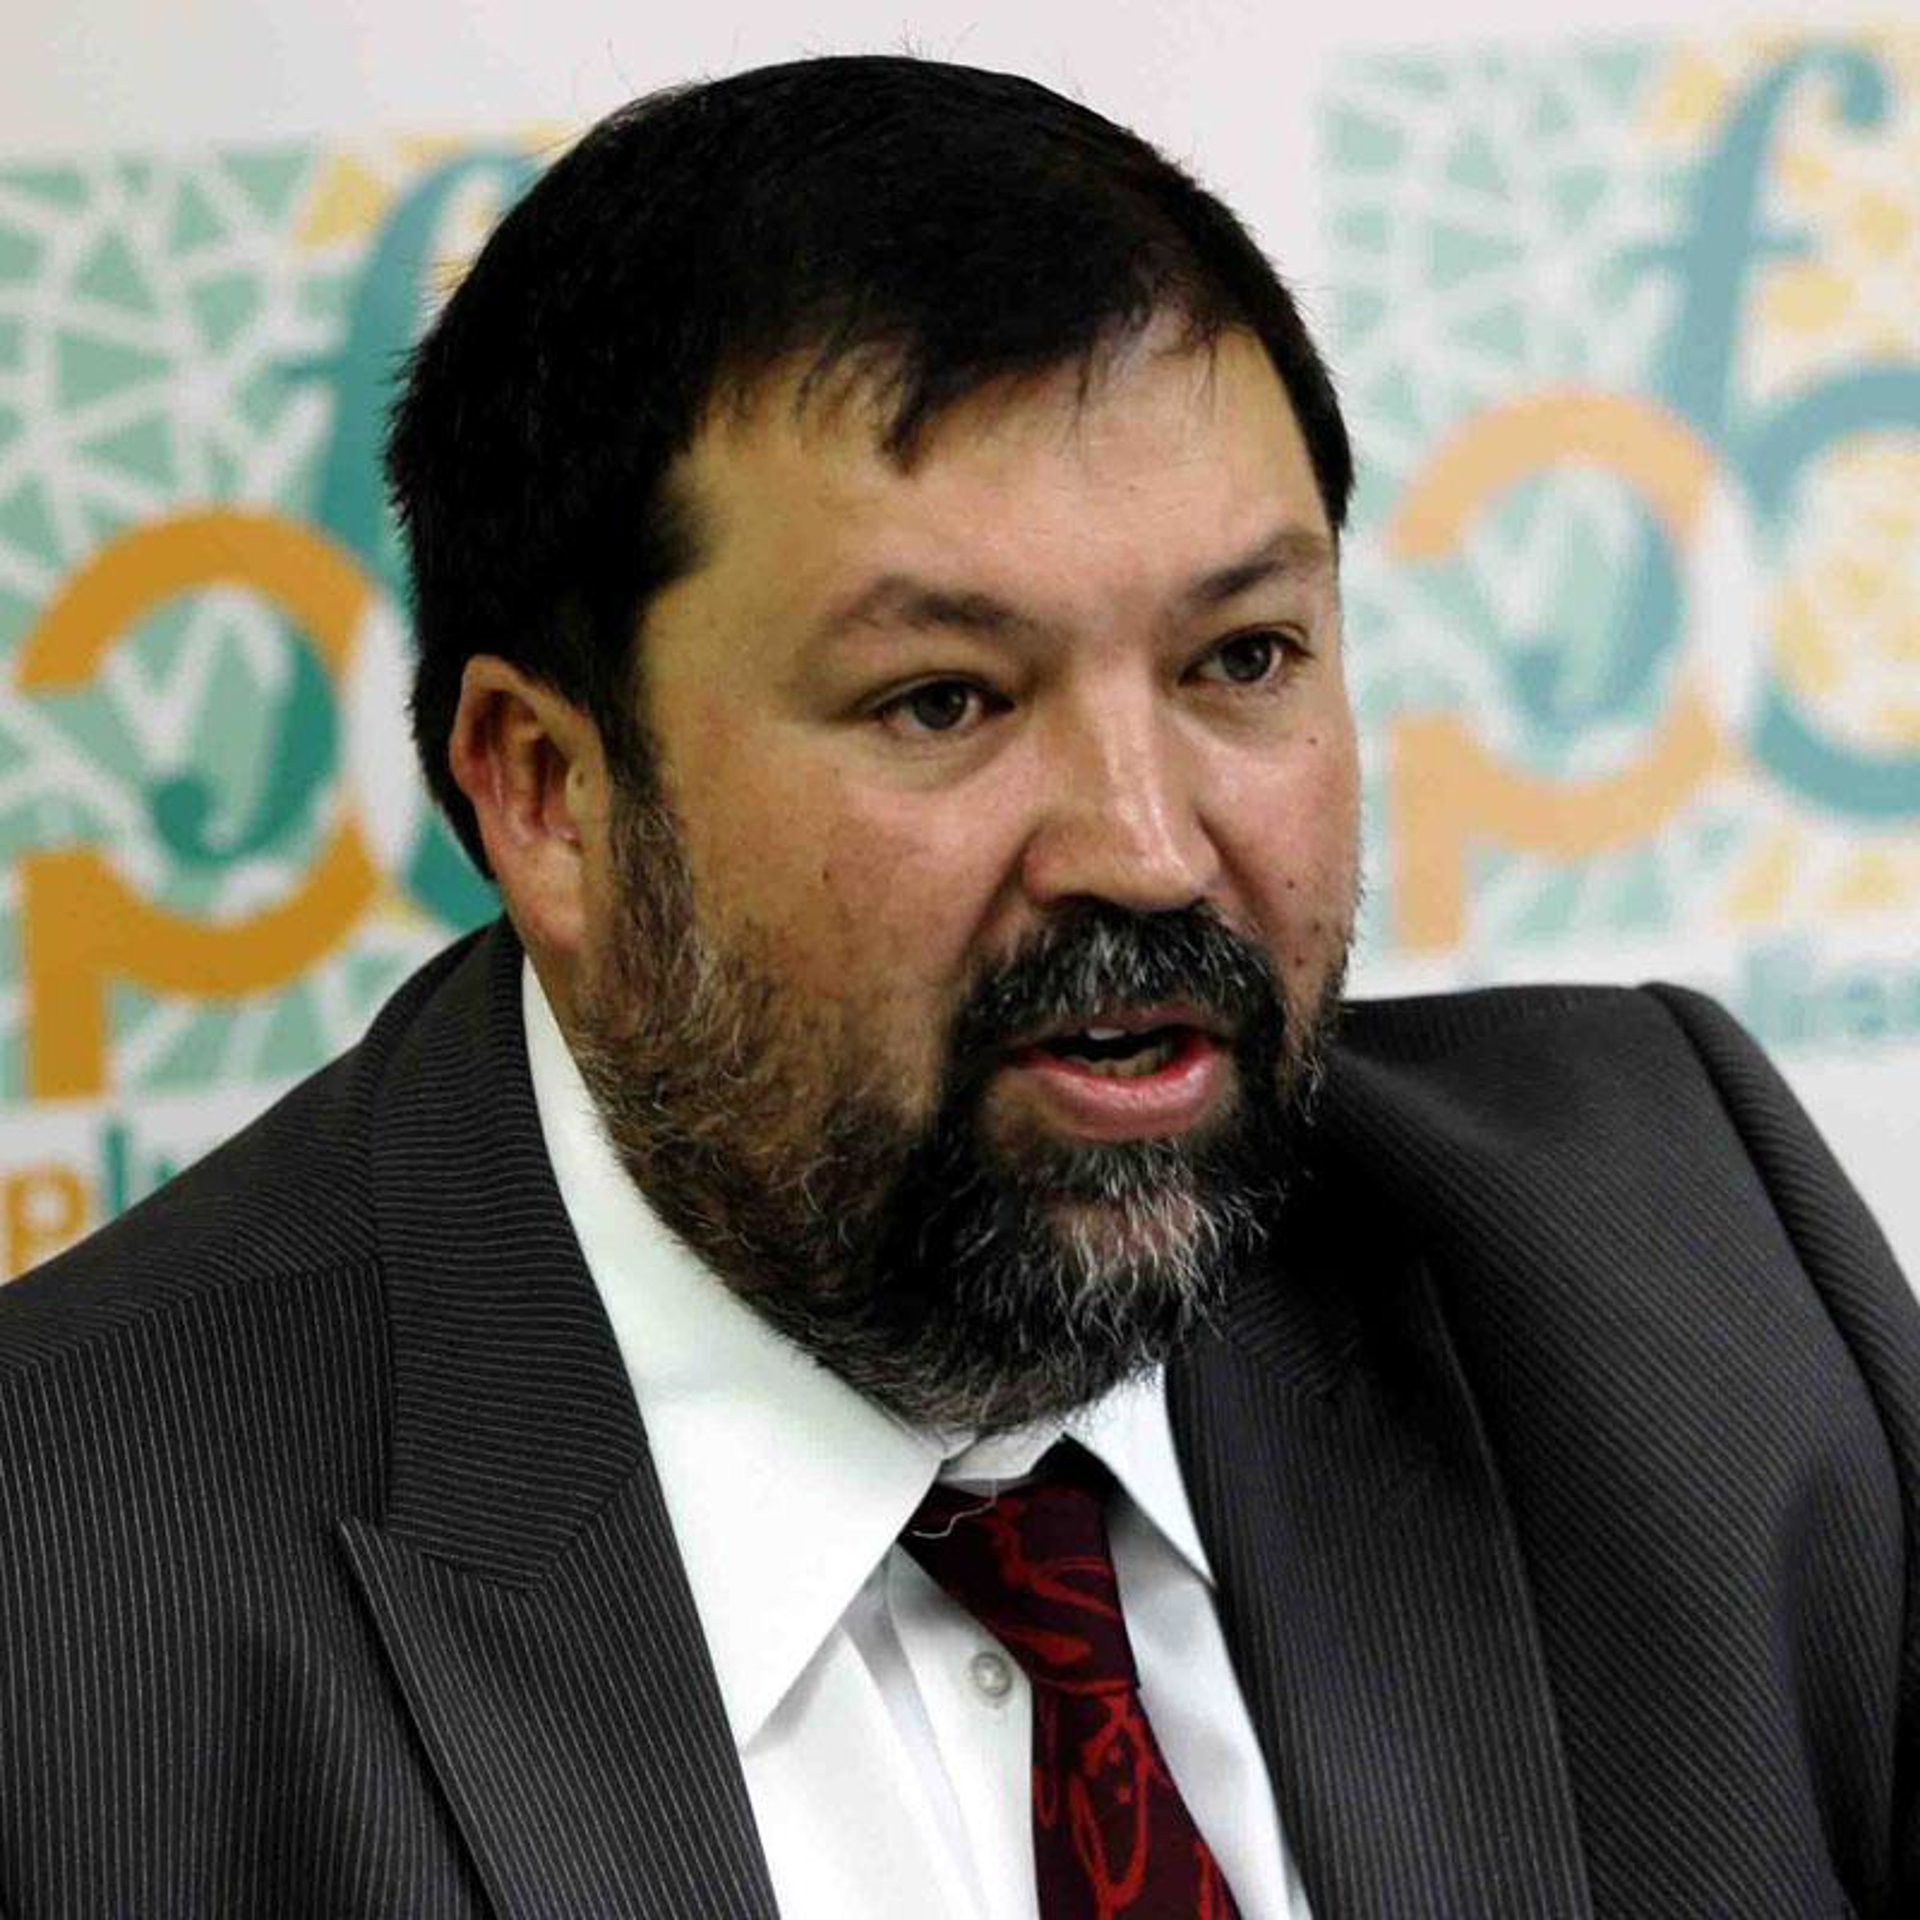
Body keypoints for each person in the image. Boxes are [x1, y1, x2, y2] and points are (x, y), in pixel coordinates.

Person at [1, 52, 1915, 1920]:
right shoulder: (67, 1601)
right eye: (944, 701)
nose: (1148, 850)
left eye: (1242, 659)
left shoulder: (1674, 1261)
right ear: (550, 793)